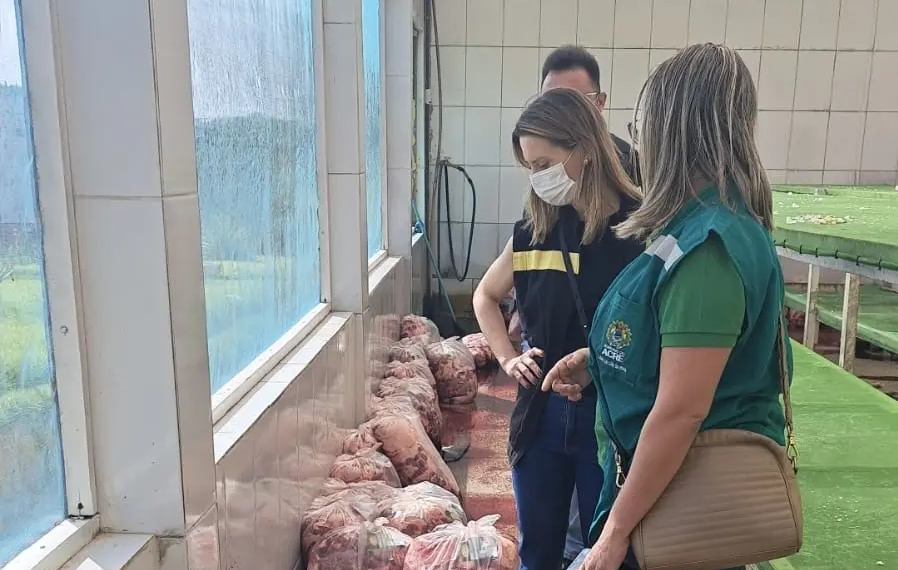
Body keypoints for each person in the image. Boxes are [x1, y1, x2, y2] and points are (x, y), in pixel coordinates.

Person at [541, 43, 792, 570]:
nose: (639, 144)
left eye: (641, 129)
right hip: (663, 496)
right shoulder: (693, 225)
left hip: (678, 508)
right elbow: (676, 340)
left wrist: (614, 534)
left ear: (673, 132)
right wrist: (602, 361)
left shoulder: (710, 249)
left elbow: (682, 410)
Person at [472, 88, 643, 570]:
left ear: (584, 148)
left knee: (607, 551)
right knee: (538, 551)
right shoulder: (535, 230)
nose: (538, 177)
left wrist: (598, 363)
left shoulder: (638, 228)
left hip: (609, 416)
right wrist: (509, 358)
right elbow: (485, 296)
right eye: (530, 167)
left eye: (545, 163)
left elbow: (655, 328)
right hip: (541, 412)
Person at [540, 44, 641, 565]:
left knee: (601, 515)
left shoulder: (633, 178)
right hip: (564, 371)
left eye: (576, 100)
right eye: (551, 100)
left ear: (600, 104)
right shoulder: (549, 183)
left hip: (620, 368)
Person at [541, 45, 641, 186]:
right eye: (549, 102)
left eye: (573, 101)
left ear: (599, 102)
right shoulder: (540, 157)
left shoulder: (629, 164)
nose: (560, 112)